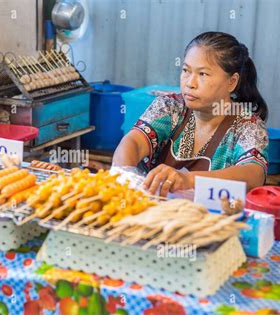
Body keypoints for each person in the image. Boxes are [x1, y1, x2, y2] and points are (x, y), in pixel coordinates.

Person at [112, 31, 269, 197]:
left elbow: (254, 174)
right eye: (186, 70)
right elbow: (133, 142)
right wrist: (125, 175)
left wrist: (188, 180)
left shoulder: (247, 125)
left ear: (232, 82)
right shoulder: (170, 107)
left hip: (211, 219)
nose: (190, 83)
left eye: (203, 74)